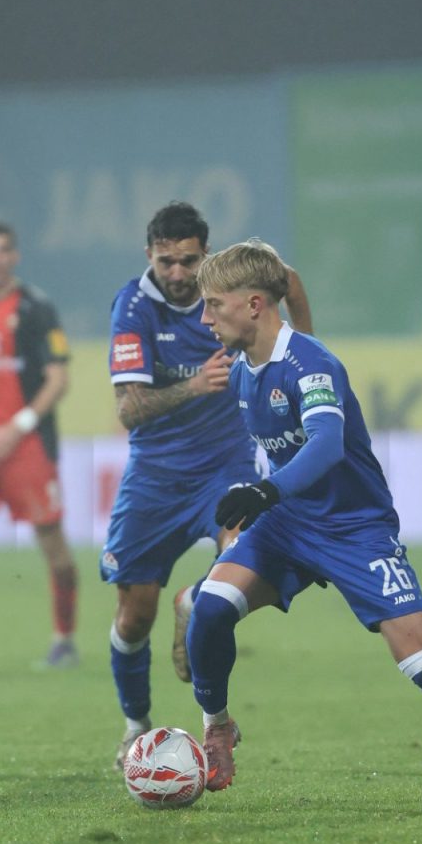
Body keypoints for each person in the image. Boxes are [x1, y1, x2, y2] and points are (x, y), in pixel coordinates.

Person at [185, 238, 422, 807]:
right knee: (210, 607)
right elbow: (288, 281)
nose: (205, 319)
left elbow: (325, 446)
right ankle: (217, 728)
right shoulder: (243, 368)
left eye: (214, 305)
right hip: (287, 524)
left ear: (253, 305)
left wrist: (264, 489)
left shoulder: (312, 364)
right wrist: (266, 496)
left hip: (355, 530)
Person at [100, 202, 312, 769]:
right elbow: (128, 410)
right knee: (134, 615)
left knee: (243, 558)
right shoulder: (133, 308)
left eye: (189, 261)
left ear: (206, 254)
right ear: (149, 255)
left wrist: (306, 347)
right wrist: (194, 386)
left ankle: (195, 602)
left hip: (226, 464)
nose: (178, 273)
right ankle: (135, 727)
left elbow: (289, 281)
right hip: (155, 475)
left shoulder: (227, 286)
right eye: (166, 261)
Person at [0, 222, 78, 666]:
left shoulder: (36, 309)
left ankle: (64, 640)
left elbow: (58, 379)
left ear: (14, 257)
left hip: (27, 445)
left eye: (2, 250)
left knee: (55, 549)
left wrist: (17, 426)